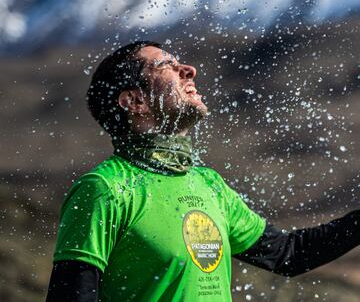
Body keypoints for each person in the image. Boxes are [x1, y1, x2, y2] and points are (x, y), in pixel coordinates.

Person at [46, 40, 360, 302]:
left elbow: (290, 255)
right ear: (135, 100)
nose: (189, 70)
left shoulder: (207, 183)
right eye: (166, 65)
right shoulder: (105, 188)